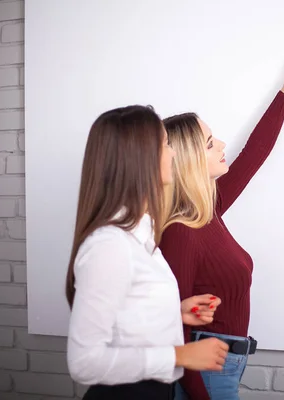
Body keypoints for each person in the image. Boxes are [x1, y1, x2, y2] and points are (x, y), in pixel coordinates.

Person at [158, 48, 284, 399]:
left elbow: (254, 154)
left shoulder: (208, 211)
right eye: (209, 143)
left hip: (224, 366)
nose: (221, 144)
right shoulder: (179, 232)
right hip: (205, 373)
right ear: (189, 160)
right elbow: (173, 329)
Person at [65, 105, 230, 400]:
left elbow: (126, 321)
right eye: (166, 144)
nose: (174, 153)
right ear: (140, 159)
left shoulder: (142, 240)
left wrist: (174, 311)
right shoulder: (109, 246)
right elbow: (84, 364)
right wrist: (180, 355)